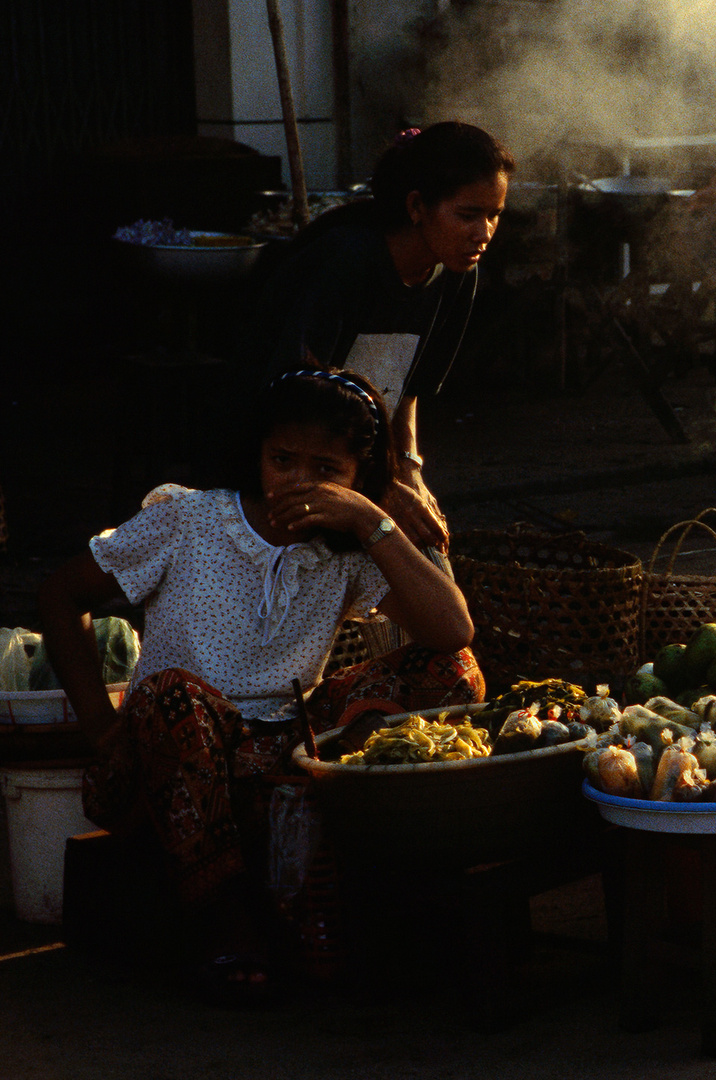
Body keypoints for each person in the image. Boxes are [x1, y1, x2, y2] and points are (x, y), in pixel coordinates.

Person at [37, 369, 485, 1003]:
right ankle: (225, 916)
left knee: (452, 672)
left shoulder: (348, 549)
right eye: (282, 460)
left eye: (326, 469)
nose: (298, 482)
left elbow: (452, 632)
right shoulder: (190, 520)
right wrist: (101, 726)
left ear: (359, 475)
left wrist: (372, 520)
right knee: (174, 695)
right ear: (257, 454)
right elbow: (60, 595)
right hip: (168, 760)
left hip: (285, 758)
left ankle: (359, 869)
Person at [248, 122, 518, 553]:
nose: (483, 233)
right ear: (417, 206)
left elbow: (408, 389)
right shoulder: (348, 260)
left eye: (494, 215)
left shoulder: (457, 272)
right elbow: (293, 404)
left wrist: (408, 468)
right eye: (467, 215)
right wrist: (381, 489)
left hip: (358, 471)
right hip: (282, 470)